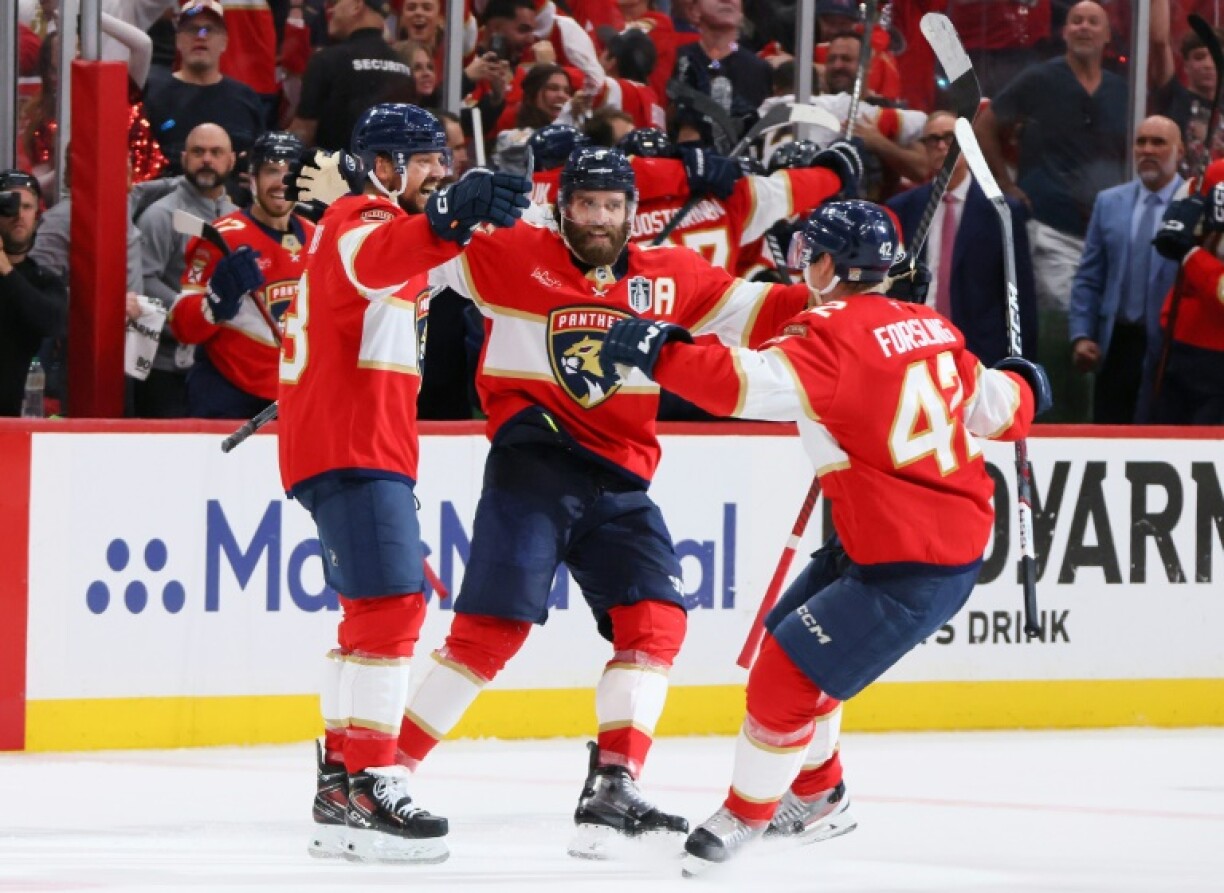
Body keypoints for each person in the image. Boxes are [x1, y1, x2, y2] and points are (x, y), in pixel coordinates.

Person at [394, 146, 820, 859]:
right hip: (533, 464)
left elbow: (763, 310)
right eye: (586, 204)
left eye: (612, 205)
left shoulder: (670, 274)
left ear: (631, 211)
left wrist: (860, 299)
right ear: (562, 208)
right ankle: (380, 770)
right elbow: (410, 262)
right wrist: (435, 209)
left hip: (620, 481)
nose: (599, 218)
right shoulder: (507, 254)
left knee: (655, 622)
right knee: (488, 633)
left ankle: (613, 784)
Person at [598, 199, 1048, 874]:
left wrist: (660, 351)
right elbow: (999, 408)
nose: (802, 262)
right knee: (793, 639)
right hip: (898, 540)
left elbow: (738, 386)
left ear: (834, 265)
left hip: (912, 560)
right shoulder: (932, 325)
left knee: (784, 676)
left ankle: (745, 814)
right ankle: (818, 794)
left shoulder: (827, 337)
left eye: (812, 252)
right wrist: (1027, 380)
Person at [277, 103, 530, 864]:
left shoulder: (377, 224)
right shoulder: (361, 217)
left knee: (367, 617)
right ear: (384, 166)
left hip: (351, 445)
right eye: (425, 161)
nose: (439, 173)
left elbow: (423, 261)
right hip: (355, 448)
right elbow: (372, 258)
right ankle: (374, 776)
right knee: (393, 608)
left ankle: (340, 785)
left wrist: (472, 215)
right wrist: (448, 213)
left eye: (442, 162)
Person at [972, 0, 1127, 423]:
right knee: (1059, 323)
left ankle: (1099, 418)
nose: (1084, 27)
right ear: (1064, 31)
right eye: (1076, 20)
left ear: (1107, 35)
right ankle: (1056, 417)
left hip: (1106, 229)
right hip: (1051, 224)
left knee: (1105, 323)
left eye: (1094, 21)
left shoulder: (1120, 89)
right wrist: (1004, 184)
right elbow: (984, 123)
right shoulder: (1040, 78)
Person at [168, 131, 315, 419]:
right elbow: (181, 325)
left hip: (294, 397)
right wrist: (214, 303)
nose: (282, 182)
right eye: (272, 171)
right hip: (228, 395)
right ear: (252, 178)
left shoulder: (318, 238)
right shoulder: (221, 238)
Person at [887, 110, 1038, 367]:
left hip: (980, 353)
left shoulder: (1003, 212)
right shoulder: (902, 209)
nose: (942, 146)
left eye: (950, 138)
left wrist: (1021, 367)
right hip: (915, 349)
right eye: (932, 140)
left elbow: (1020, 296)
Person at [1069, 115, 1185, 425]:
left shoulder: (1193, 205)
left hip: (1173, 350)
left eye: (1158, 142)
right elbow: (1089, 277)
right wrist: (1082, 335)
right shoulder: (1109, 203)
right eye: (1141, 142)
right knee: (1110, 433)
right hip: (1116, 345)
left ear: (1180, 152)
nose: (1147, 150)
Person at [134, 122, 238, 418]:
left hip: (219, 366)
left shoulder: (237, 218)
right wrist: (197, 312)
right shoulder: (160, 216)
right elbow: (144, 281)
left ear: (231, 160)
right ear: (183, 159)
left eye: (216, 152)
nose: (207, 159)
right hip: (165, 368)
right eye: (198, 151)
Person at [142, 1, 267, 174]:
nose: (201, 36)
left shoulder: (246, 99)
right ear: (178, 40)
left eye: (209, 29)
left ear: (224, 41)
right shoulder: (152, 97)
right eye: (192, 29)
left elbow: (260, 164)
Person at [1149, 159, 1224, 425]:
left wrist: (1189, 254)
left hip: (1218, 359)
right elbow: (1175, 221)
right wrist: (1184, 219)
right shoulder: (1216, 171)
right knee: (1151, 436)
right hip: (1174, 338)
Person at [289, 0, 415, 151]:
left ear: (356, 6)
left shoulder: (327, 61)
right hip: (390, 170)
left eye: (337, 3)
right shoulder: (405, 67)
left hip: (337, 170)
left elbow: (302, 133)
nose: (331, 10)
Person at [0, 170, 67, 417]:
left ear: (37, 217)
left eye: (27, 206)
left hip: (22, 417)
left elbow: (51, 323)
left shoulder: (44, 280)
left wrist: (5, 268)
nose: (19, 215)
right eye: (10, 205)